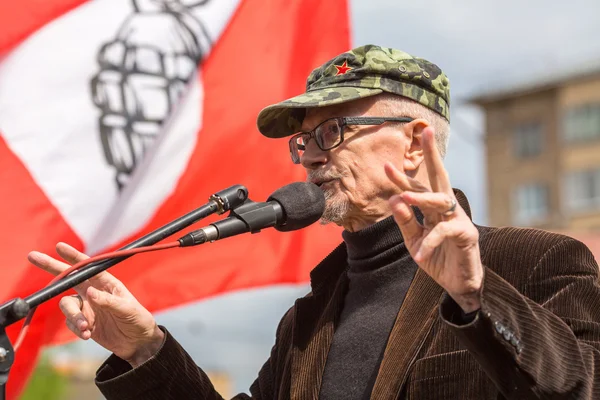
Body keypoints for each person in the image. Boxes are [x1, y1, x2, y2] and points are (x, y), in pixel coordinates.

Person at [30, 45, 600, 399]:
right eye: (303, 142)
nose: (309, 156)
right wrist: (145, 349)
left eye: (333, 132)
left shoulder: (540, 260)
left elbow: (581, 387)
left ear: (412, 142)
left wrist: (478, 298)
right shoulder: (309, 318)